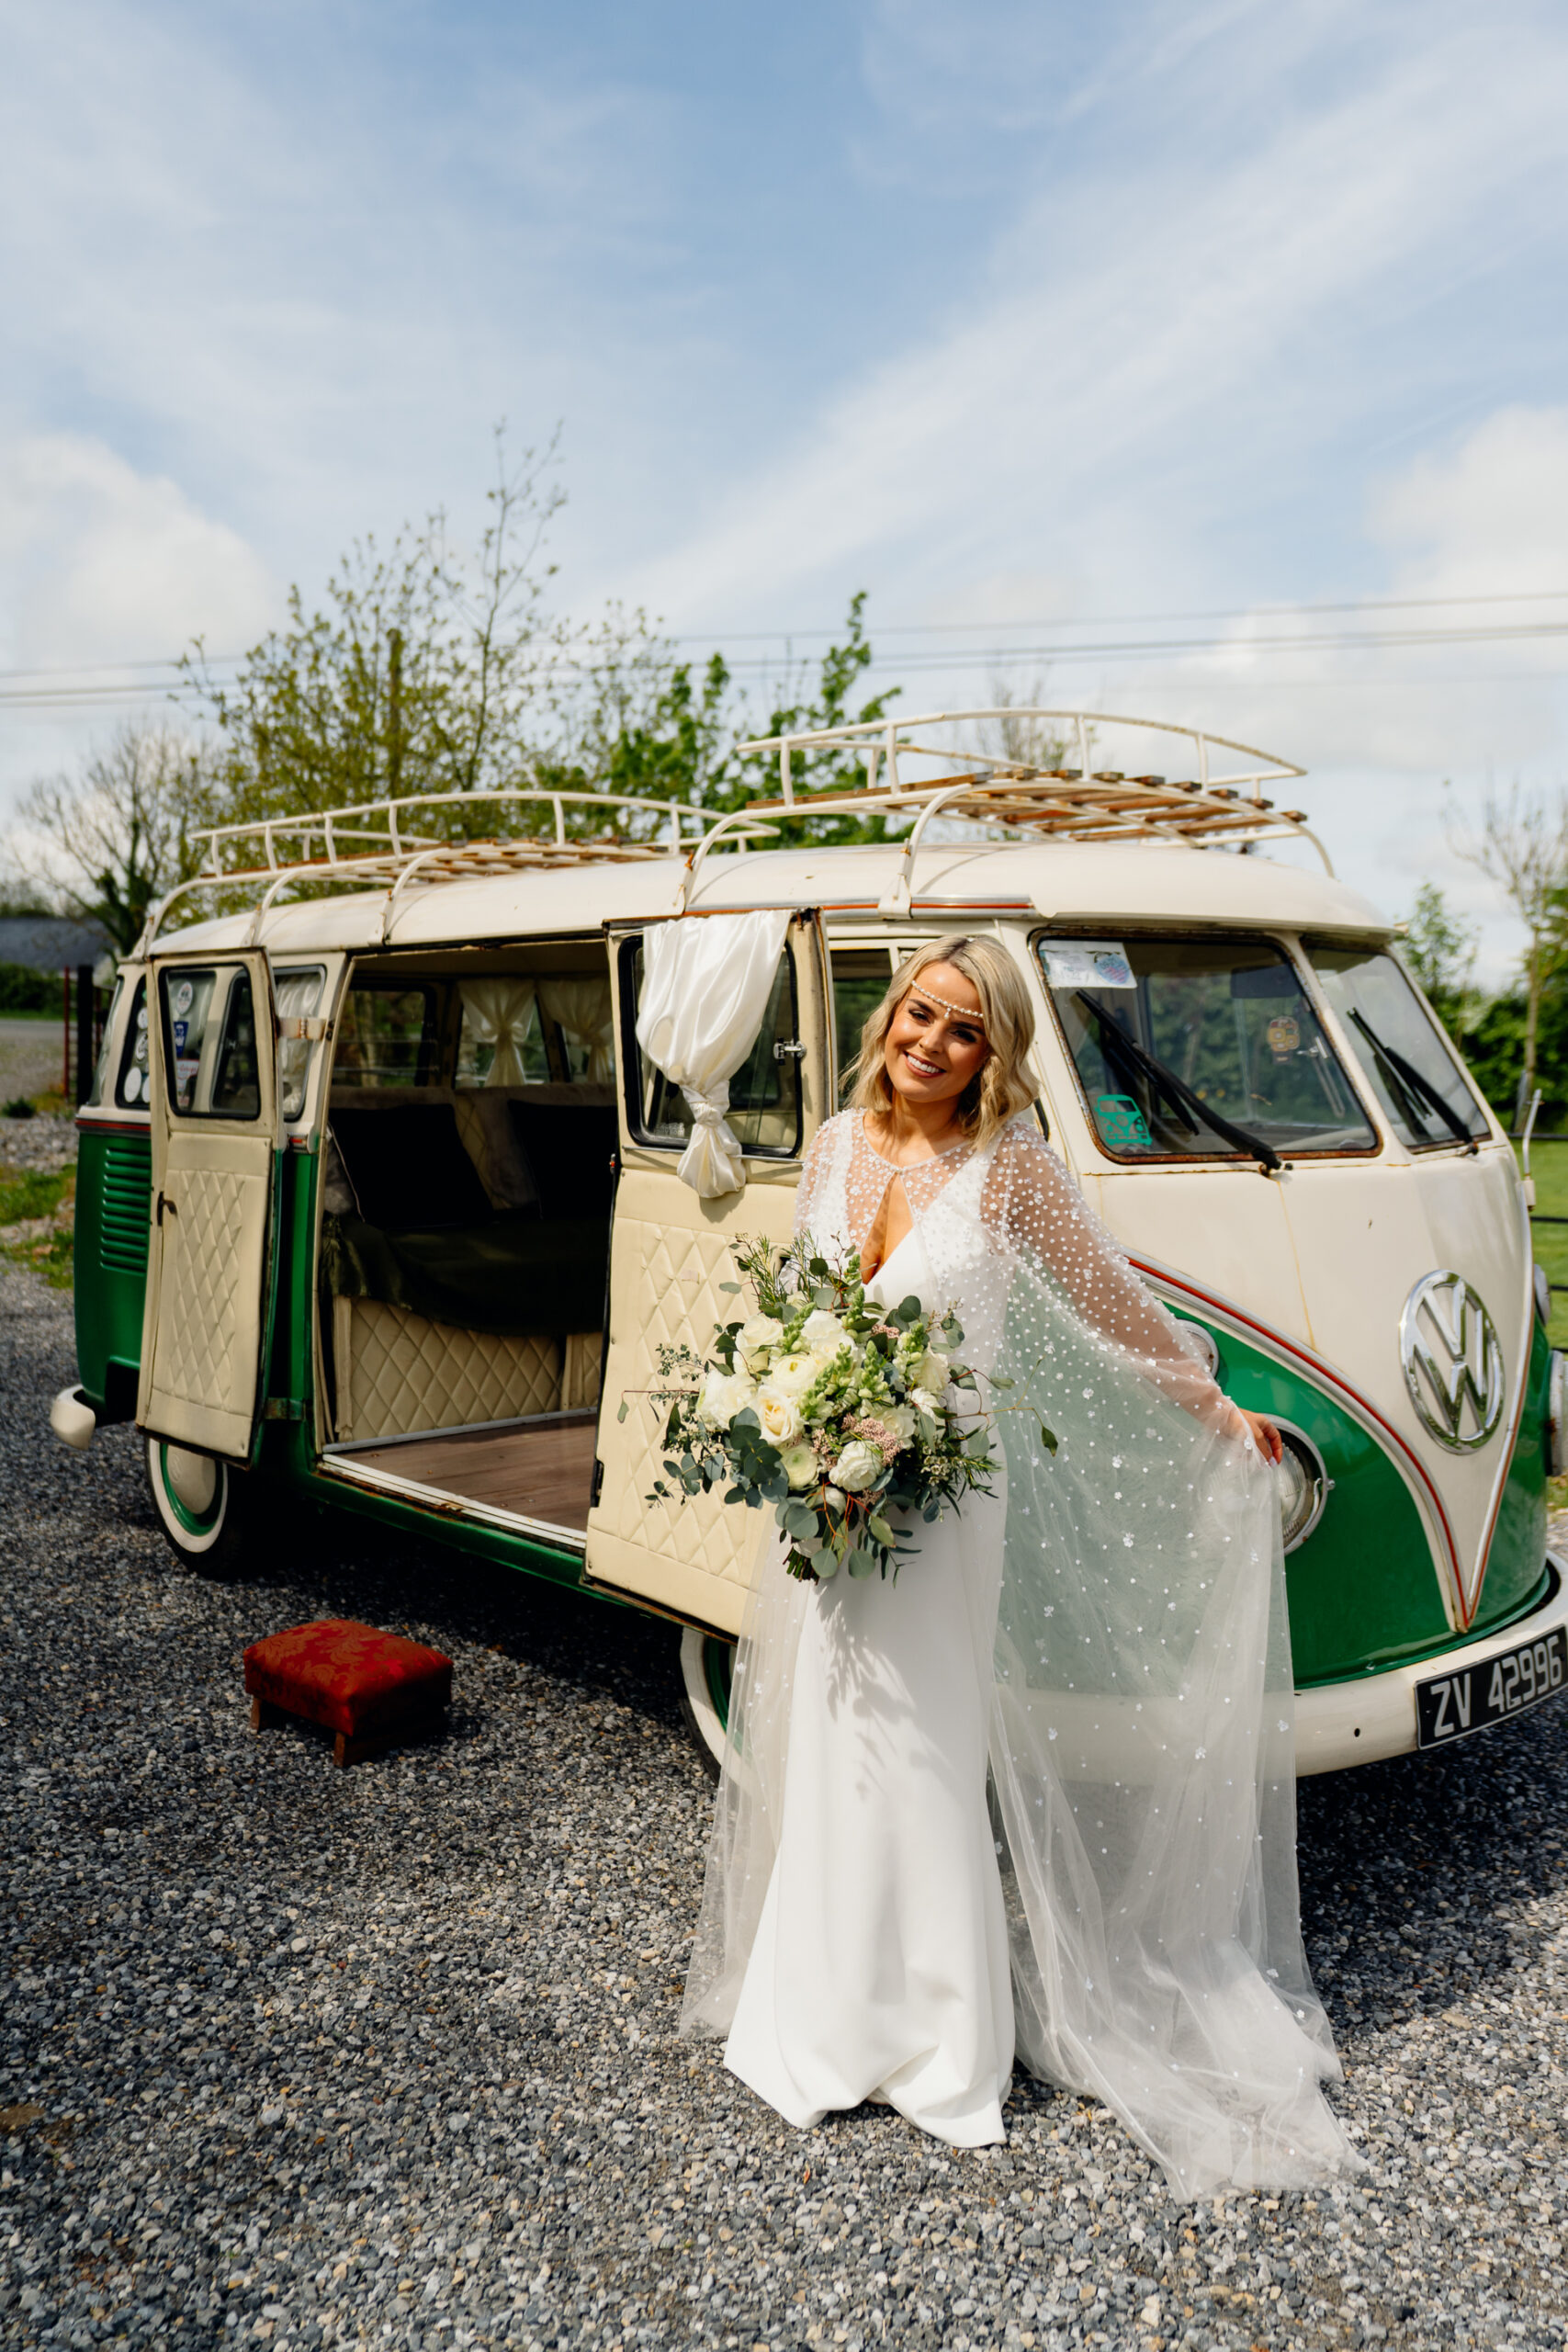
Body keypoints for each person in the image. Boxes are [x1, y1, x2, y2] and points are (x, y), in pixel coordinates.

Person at [680, 934, 1359, 2198]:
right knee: (833, 1738)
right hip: (827, 1490)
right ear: (890, 1018)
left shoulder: (1013, 1173)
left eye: (965, 1031)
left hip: (942, 1499)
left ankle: (942, 2041)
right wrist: (781, 1416)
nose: (931, 1045)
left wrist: (1211, 1410)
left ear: (994, 1052)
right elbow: (794, 1306)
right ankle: (820, 2012)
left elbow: (1112, 1301)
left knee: (926, 1748)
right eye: (920, 1017)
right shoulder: (830, 1148)